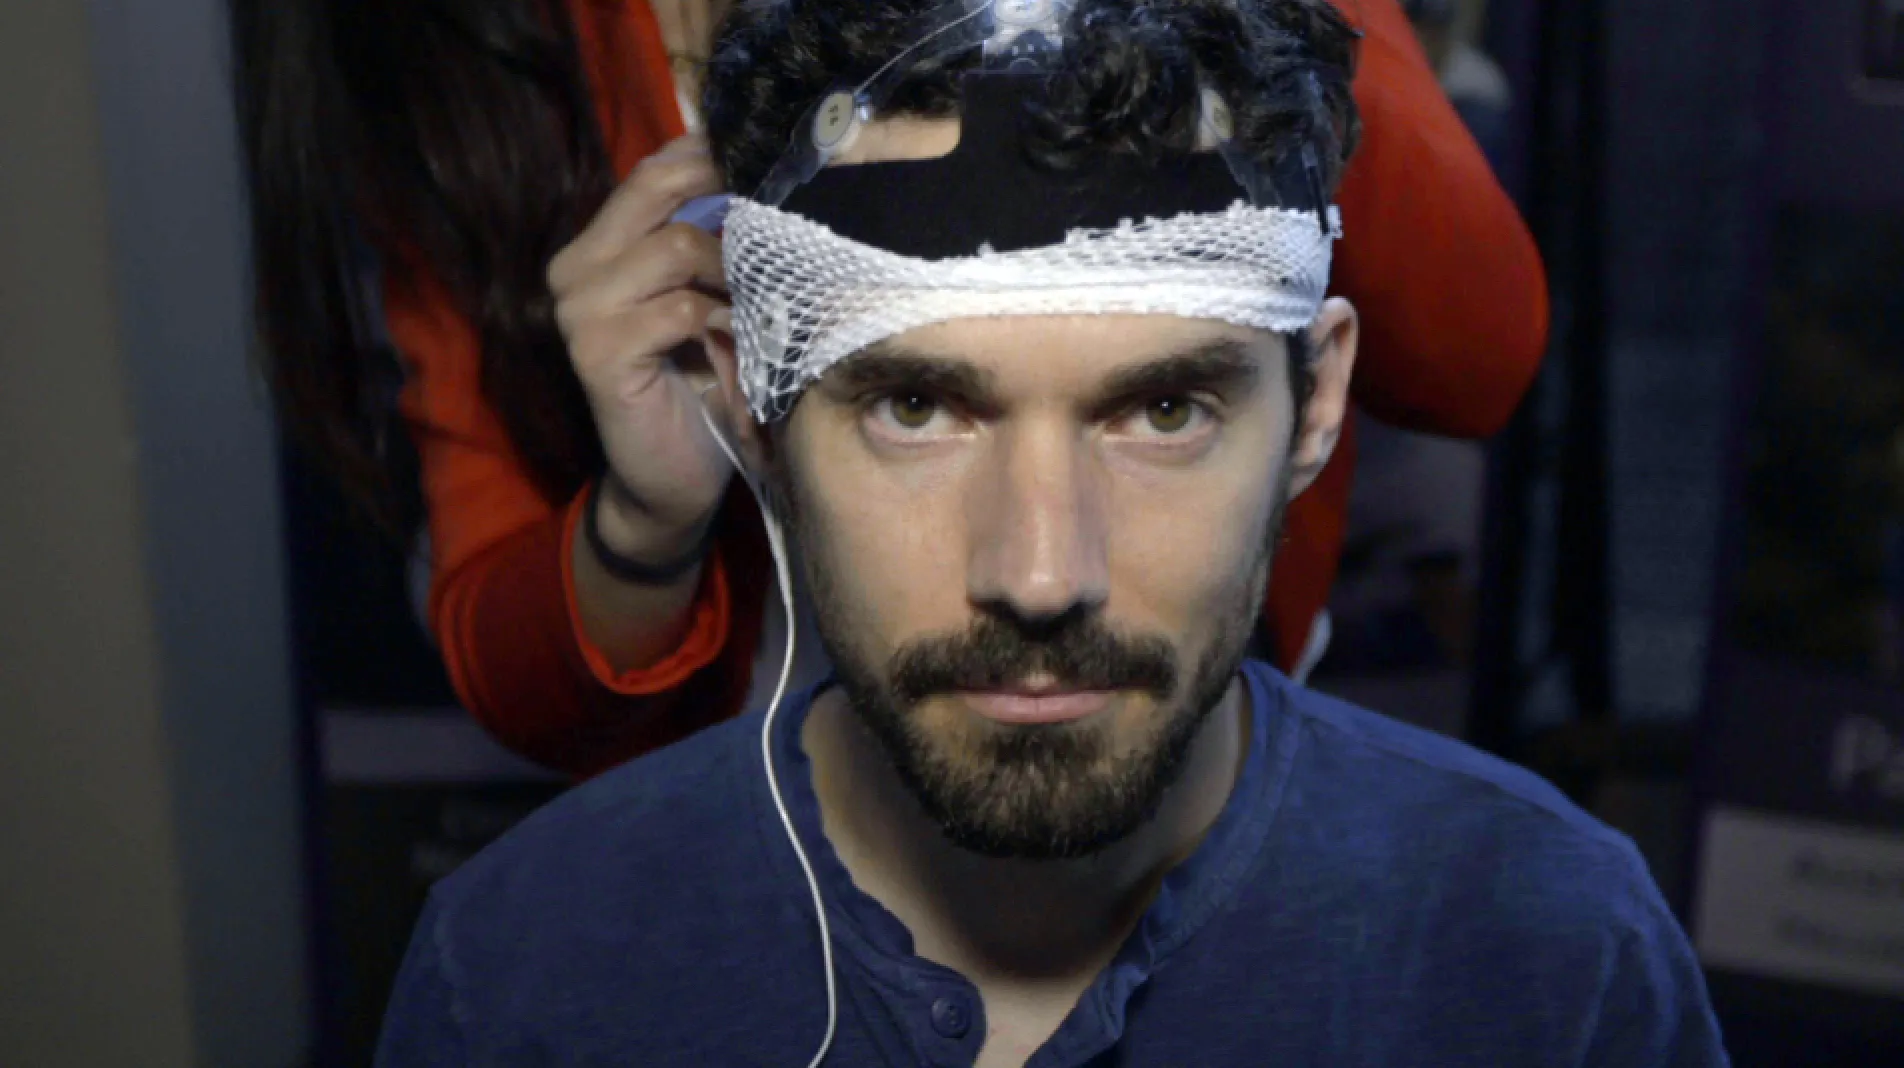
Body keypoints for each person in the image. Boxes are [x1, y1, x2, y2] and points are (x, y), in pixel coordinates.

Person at [375, 3, 1724, 1064]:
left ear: (1316, 404)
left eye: (1165, 410)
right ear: (753, 410)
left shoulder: (1546, 960)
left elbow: (1486, 337)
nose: (1037, 576)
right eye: (915, 405)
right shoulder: (522, 979)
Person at [234, 0, 1547, 780]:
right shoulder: (476, 67)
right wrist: (643, 524)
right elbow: (523, 665)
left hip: (1198, 764)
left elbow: (1478, 350)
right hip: (774, 833)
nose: (1036, 563)